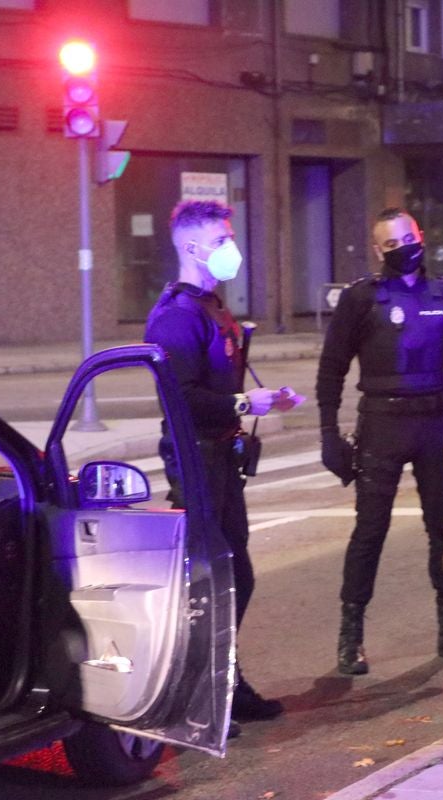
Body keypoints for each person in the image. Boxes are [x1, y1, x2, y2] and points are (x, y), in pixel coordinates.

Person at [145, 200, 299, 734]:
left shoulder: (211, 306)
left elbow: (220, 382)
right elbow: (182, 398)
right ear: (190, 247)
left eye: (230, 236)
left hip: (221, 458)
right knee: (209, 580)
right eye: (220, 239)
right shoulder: (175, 317)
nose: (230, 247)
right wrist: (242, 405)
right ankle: (195, 693)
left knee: (234, 575)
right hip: (195, 459)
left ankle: (225, 682)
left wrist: (262, 397)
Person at [316, 208, 443, 675]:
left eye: (405, 240)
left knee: (442, 532)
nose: (400, 250)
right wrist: (329, 433)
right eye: (389, 246)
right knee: (369, 532)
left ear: (421, 236)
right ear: (377, 251)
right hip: (381, 425)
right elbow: (331, 368)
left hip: (435, 422)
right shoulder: (360, 299)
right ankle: (350, 638)